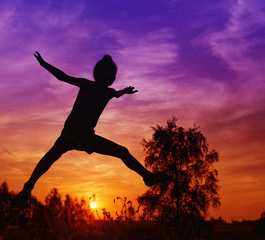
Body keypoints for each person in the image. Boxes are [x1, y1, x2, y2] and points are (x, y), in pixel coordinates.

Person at [17, 52, 170, 204]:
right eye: (108, 72)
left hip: (88, 137)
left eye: (114, 73)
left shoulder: (108, 92)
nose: (112, 75)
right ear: (97, 74)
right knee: (52, 155)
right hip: (70, 133)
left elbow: (116, 94)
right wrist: (44, 64)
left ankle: (148, 177)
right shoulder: (86, 85)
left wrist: (125, 91)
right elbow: (63, 77)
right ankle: (28, 187)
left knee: (122, 151)